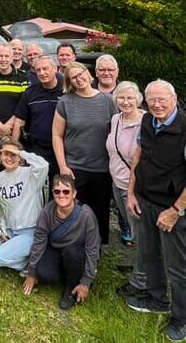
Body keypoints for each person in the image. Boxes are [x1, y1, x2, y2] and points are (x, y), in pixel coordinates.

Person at [126, 80, 186, 341]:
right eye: (152, 100)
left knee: (178, 266)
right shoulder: (147, 121)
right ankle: (157, 299)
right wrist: (131, 192)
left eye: (162, 99)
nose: (157, 105)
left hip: (173, 206)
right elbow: (138, 155)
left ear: (174, 99)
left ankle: (181, 319)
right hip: (146, 199)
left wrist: (175, 210)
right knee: (150, 254)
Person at [52, 61, 118, 244]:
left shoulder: (108, 101)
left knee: (99, 211)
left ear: (88, 74)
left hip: (102, 167)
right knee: (74, 210)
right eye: (73, 77)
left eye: (80, 74)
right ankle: (73, 244)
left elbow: (117, 132)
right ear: (70, 82)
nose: (78, 79)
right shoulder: (65, 102)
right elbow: (57, 135)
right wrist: (63, 165)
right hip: (74, 167)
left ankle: (95, 247)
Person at [23, 174, 101, 310]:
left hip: (76, 252)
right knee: (45, 275)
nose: (61, 195)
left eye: (66, 191)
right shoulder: (47, 211)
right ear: (53, 193)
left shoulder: (86, 215)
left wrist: (86, 282)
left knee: (72, 252)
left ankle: (71, 288)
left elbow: (92, 249)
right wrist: (32, 272)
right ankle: (68, 275)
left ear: (74, 194)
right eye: (57, 191)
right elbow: (39, 241)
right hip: (56, 249)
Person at [0, 138, 48, 272]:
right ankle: (20, 257)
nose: (9, 158)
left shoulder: (30, 174)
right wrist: (2, 229)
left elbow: (43, 165)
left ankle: (30, 263)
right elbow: (0, 207)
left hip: (30, 231)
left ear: (19, 157)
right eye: (6, 154)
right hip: (11, 231)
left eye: (13, 154)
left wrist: (21, 152)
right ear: (0, 156)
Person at [105, 81, 147, 297]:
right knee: (133, 230)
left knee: (141, 235)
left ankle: (141, 282)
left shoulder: (145, 122)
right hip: (117, 183)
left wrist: (132, 188)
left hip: (135, 189)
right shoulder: (116, 119)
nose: (125, 101)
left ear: (138, 99)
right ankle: (141, 270)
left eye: (130, 97)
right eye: (121, 97)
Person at [13, 55, 63, 193]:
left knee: (59, 189)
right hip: (37, 148)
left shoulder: (66, 91)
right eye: (38, 70)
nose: (42, 73)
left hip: (62, 150)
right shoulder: (30, 93)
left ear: (55, 69)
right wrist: (14, 148)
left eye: (45, 69)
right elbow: (19, 121)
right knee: (34, 190)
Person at [0, 43, 29, 176]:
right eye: (0, 56)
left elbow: (23, 106)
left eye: (7, 56)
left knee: (15, 169)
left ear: (12, 57)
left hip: (15, 131)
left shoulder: (22, 77)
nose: (3, 59)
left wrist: (7, 127)